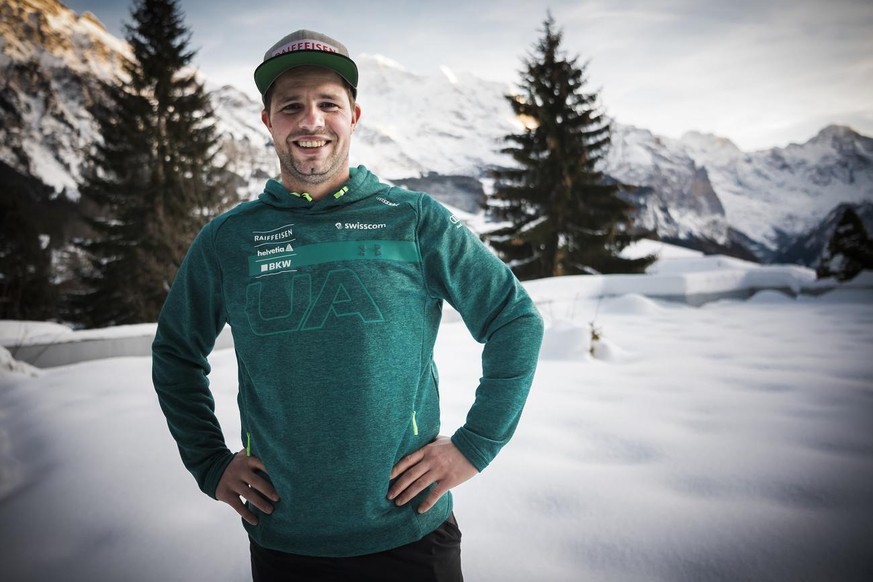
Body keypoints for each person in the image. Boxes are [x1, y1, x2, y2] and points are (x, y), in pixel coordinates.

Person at [152, 29, 543, 582]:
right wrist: (210, 462)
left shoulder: (414, 219)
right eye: (292, 106)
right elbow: (175, 353)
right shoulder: (228, 240)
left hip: (411, 532)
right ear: (268, 120)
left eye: (328, 104)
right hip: (286, 539)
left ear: (353, 116)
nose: (311, 120)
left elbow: (514, 318)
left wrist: (475, 445)